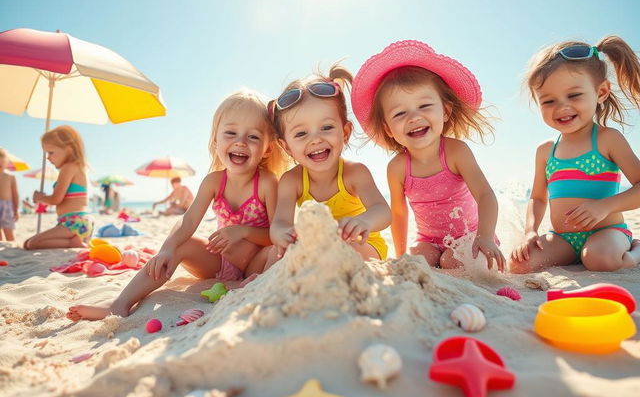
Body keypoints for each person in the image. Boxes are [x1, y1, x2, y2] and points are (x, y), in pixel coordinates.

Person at [67, 89, 288, 321]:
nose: (241, 142)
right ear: (215, 140)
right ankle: (119, 304)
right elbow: (188, 220)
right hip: (222, 262)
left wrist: (242, 231)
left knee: (281, 249)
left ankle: (249, 285)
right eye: (231, 133)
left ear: (268, 148)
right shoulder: (213, 181)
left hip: (257, 264)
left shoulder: (267, 183)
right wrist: (166, 249)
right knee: (182, 244)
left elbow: (276, 233)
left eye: (253, 136)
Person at [351, 40, 504, 271]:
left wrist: (485, 237)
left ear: (445, 111)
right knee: (415, 263)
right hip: (428, 242)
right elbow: (399, 213)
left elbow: (485, 195)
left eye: (424, 106)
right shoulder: (398, 167)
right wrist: (401, 253)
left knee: (453, 262)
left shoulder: (455, 152)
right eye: (400, 113)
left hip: (471, 236)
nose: (413, 117)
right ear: (388, 129)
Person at [509, 37, 640, 273]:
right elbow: (537, 198)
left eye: (574, 95)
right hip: (563, 239)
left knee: (599, 259)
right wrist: (530, 231)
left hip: (607, 233)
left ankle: (636, 252)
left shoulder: (607, 139)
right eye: (548, 101)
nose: (562, 107)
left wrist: (604, 207)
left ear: (601, 92)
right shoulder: (545, 150)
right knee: (519, 265)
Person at [268, 64, 390, 262]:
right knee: (278, 251)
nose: (315, 139)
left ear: (345, 133)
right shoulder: (292, 181)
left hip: (362, 244)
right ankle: (266, 285)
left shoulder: (355, 173)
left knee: (343, 247)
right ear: (286, 146)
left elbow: (383, 211)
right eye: (301, 133)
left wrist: (363, 221)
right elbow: (280, 222)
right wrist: (283, 234)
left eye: (326, 127)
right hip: (319, 245)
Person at [23, 126, 93, 250]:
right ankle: (75, 241)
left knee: (32, 244)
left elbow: (56, 199)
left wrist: (41, 197)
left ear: (68, 149)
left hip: (74, 222)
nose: (48, 158)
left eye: (51, 152)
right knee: (28, 243)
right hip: (76, 223)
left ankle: (72, 243)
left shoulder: (68, 167)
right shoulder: (76, 167)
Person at [0, 148, 19, 241]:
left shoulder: (10, 176)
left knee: (9, 231)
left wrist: (16, 209)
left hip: (7, 206)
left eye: (2, 162)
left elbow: (15, 194)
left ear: (6, 162)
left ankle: (11, 246)